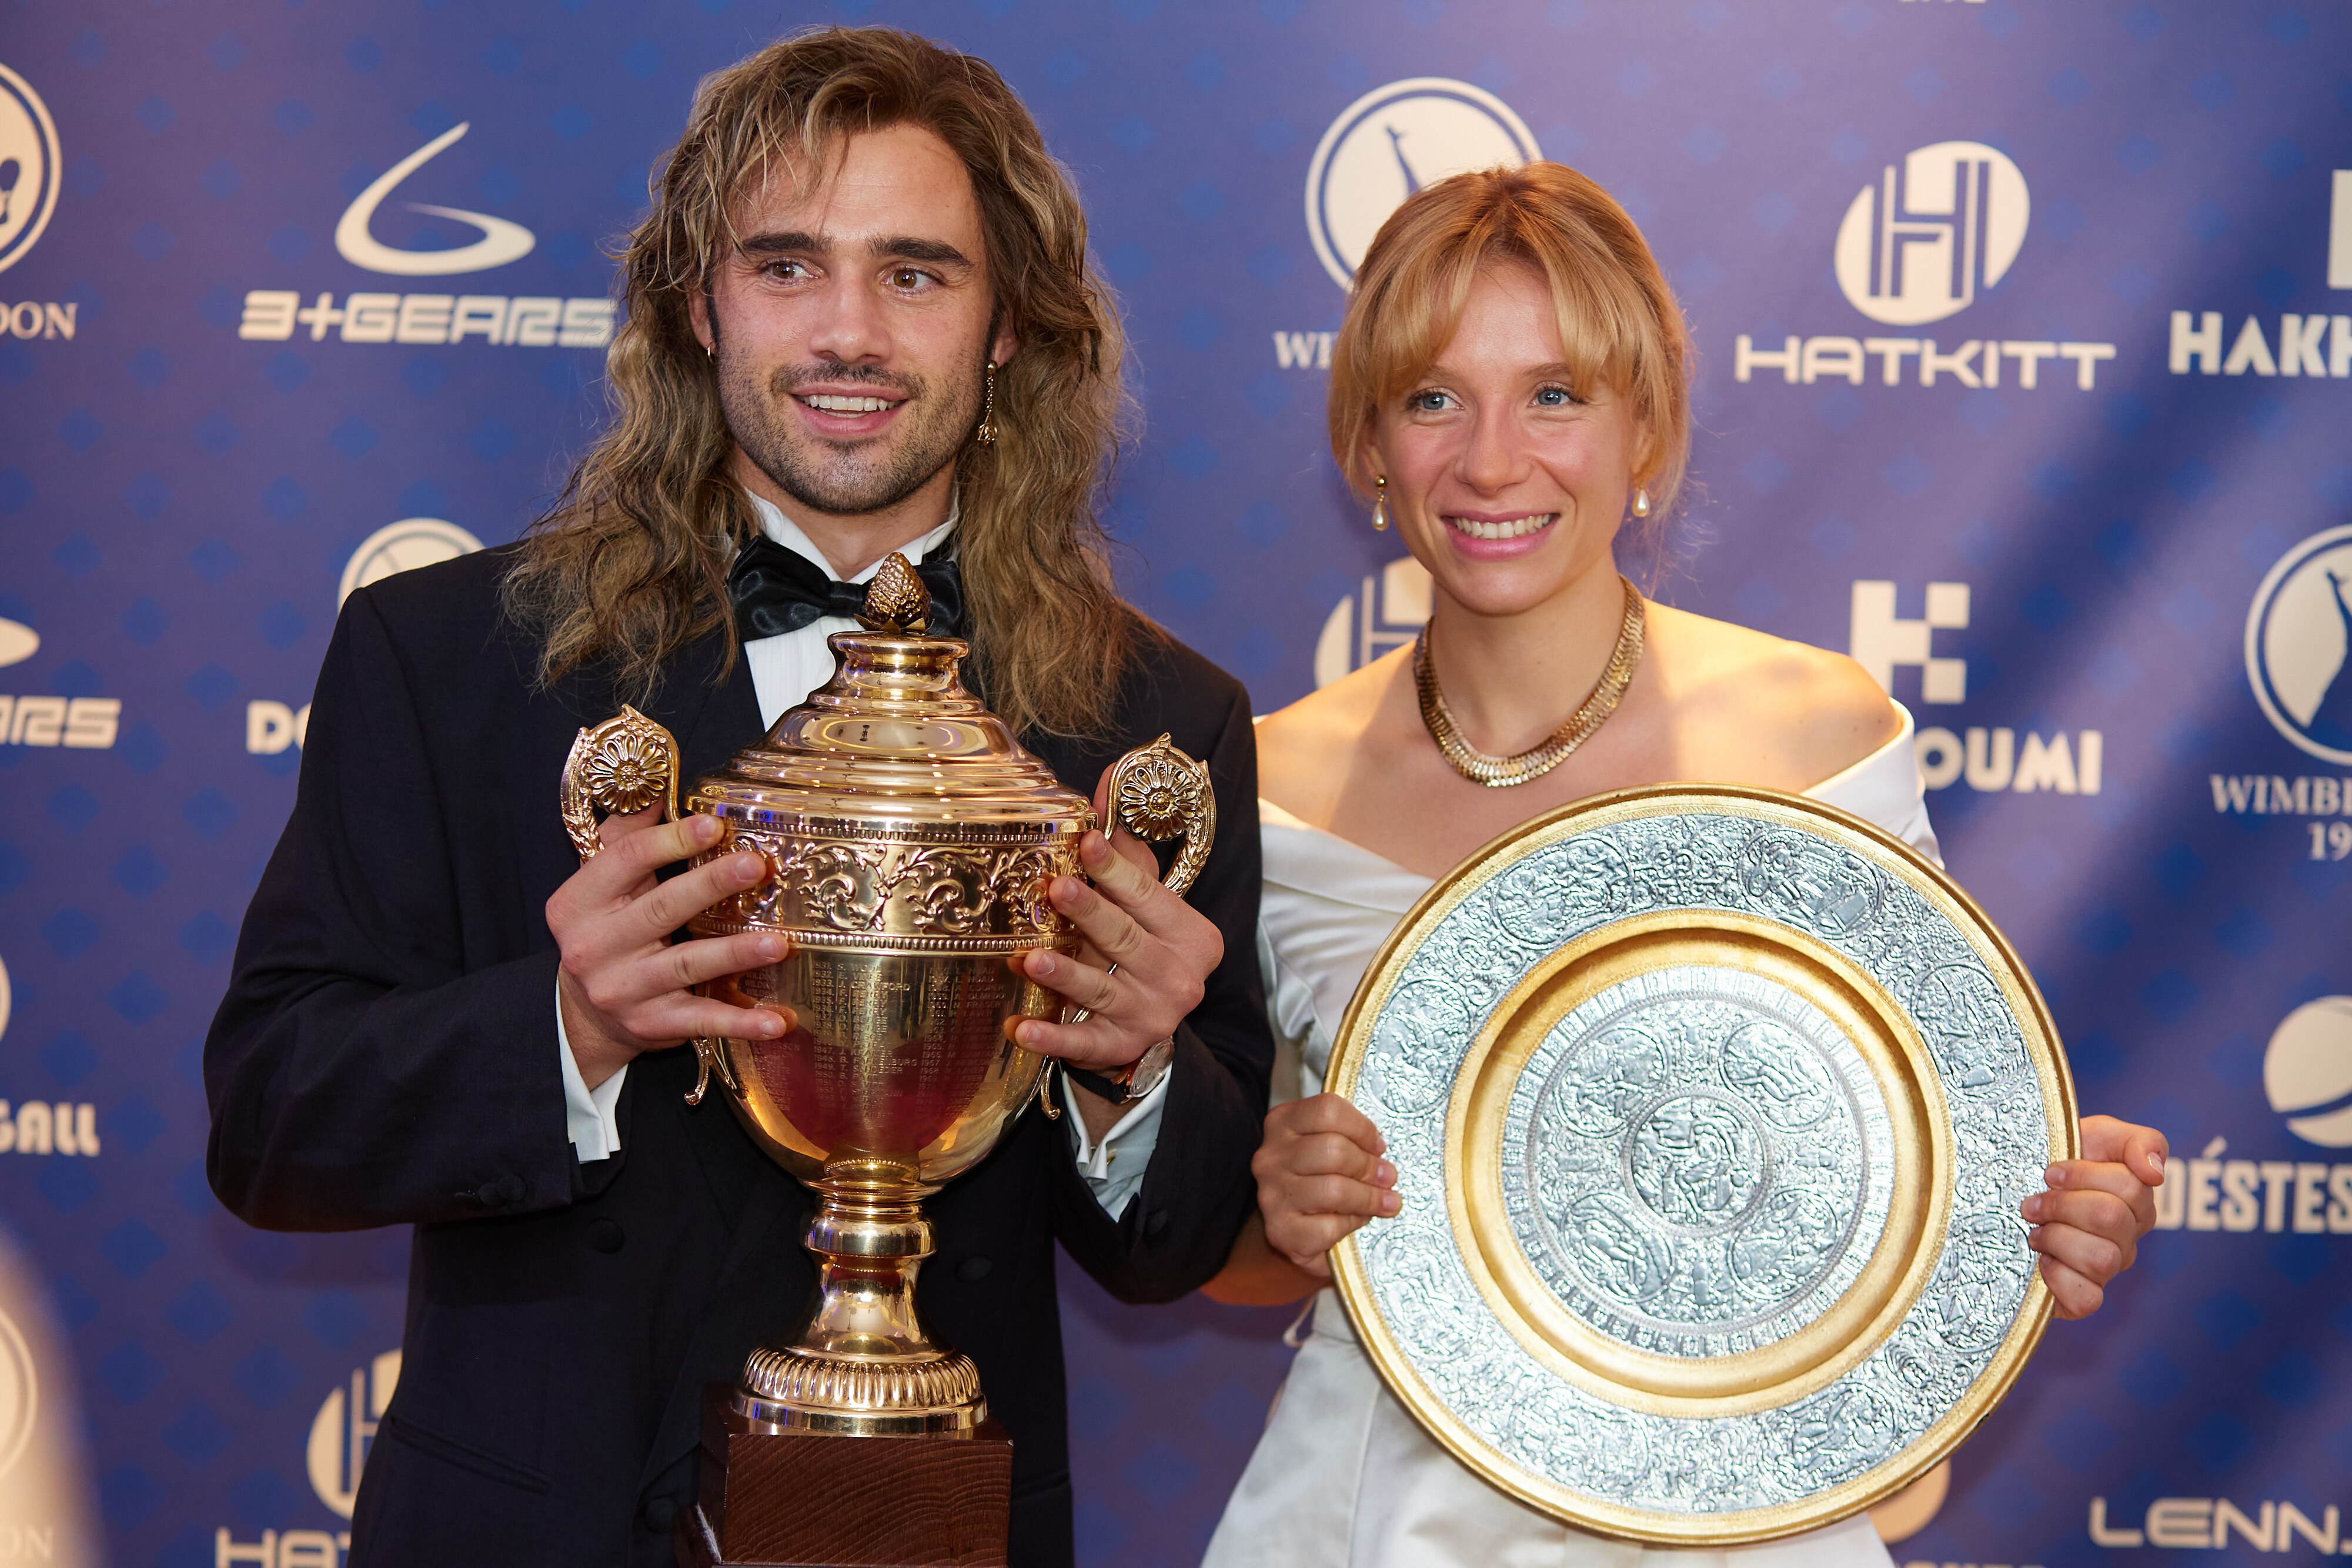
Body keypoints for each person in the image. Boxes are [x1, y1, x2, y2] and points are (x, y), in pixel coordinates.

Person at [204, 28, 1272, 1567]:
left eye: (915, 273)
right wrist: (565, 1024)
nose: (848, 332)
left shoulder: (1152, 721)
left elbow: (1179, 1247)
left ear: (1008, 329)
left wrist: (1136, 1070)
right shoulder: (447, 658)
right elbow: (269, 1121)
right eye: (786, 266)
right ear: (697, 307)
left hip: (927, 1536)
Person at [1198, 163, 2171, 1568]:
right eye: (1431, 399)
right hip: (1371, 1510)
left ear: (1644, 428)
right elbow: (1235, 1246)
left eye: (1554, 394)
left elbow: (1928, 1152)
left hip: (1739, 1515)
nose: (1490, 462)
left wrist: (2046, 1208)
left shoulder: (1815, 734)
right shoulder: (1267, 786)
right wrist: (1285, 1217)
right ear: (1366, 445)